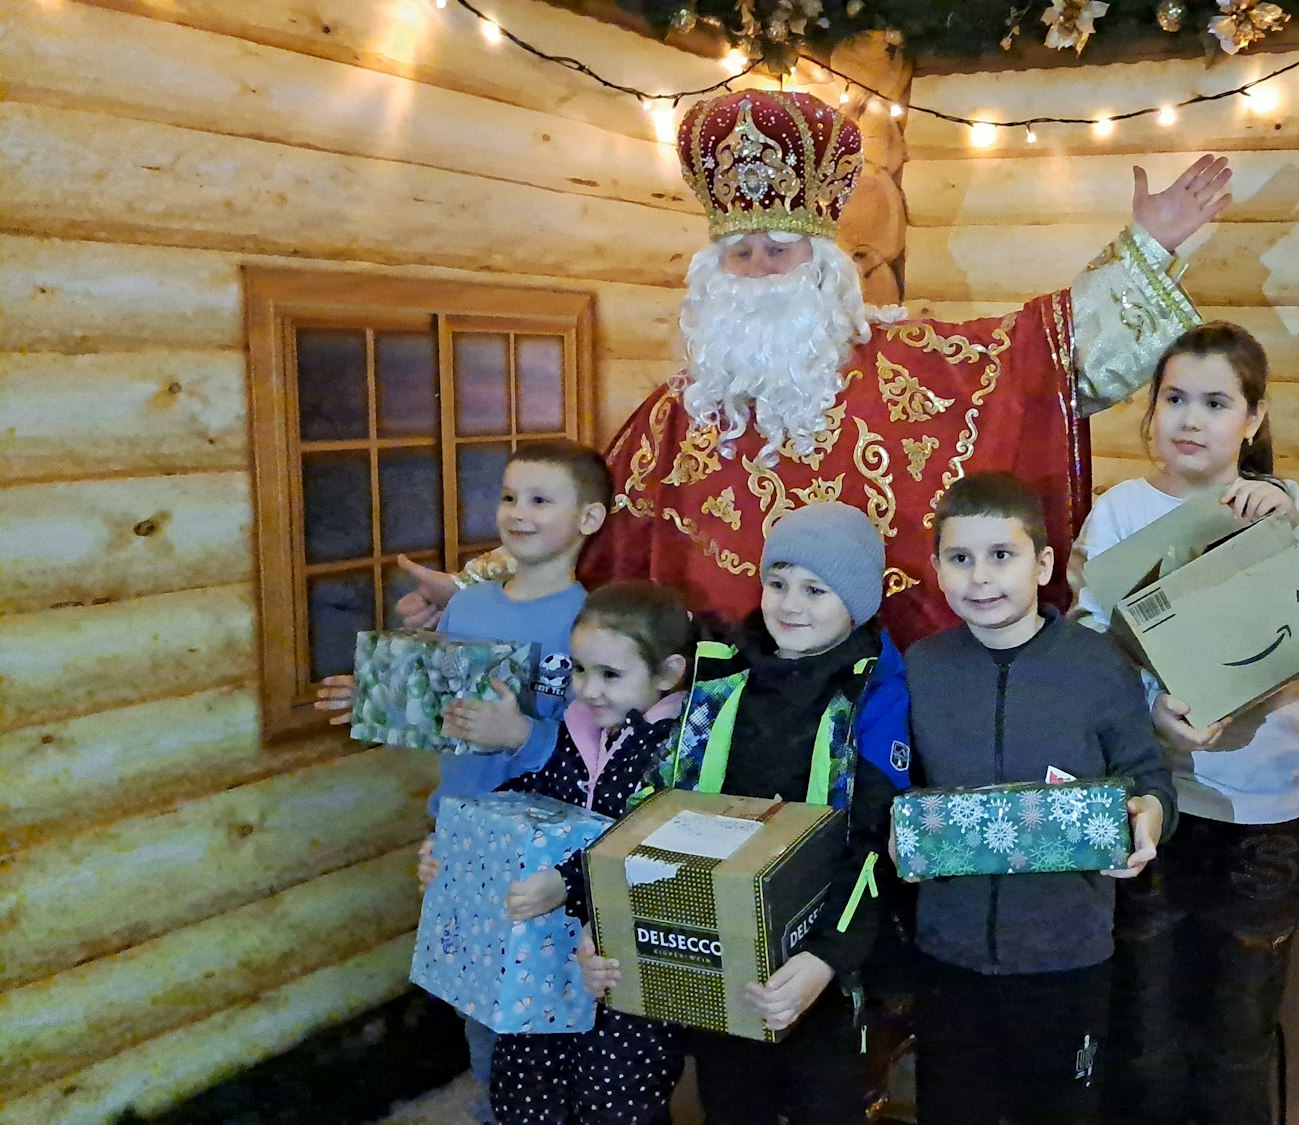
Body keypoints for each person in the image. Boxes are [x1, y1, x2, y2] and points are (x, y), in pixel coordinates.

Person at [392, 87, 1234, 647]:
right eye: (741, 252)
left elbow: (1042, 360)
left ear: (825, 264)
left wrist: (1147, 248)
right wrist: (474, 595)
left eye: (779, 250)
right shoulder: (675, 416)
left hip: (886, 711)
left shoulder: (914, 362)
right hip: (717, 724)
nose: (758, 270)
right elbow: (590, 538)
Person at [1069, 322, 1299, 1125]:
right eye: (1174, 399)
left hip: (1261, 813)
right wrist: (1148, 713)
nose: (1191, 419)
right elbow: (1089, 647)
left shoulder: (1288, 508)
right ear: (1152, 411)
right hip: (1152, 803)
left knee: (1239, 1031)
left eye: (1216, 401)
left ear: (1253, 419)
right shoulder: (1121, 511)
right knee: (1143, 1026)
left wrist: (1289, 517)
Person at [585, 502, 908, 1125]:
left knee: (826, 1102)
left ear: (859, 600)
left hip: (822, 968)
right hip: (717, 951)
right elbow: (651, 810)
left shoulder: (874, 694)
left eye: (817, 590)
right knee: (731, 1101)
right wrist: (605, 921)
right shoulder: (720, 676)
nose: (791, 604)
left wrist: (824, 959)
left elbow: (876, 839)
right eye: (778, 583)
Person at [319, 439, 612, 1125]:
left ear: (590, 518)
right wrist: (378, 690)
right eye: (510, 496)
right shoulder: (469, 609)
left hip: (549, 854)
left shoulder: (591, 623)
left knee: (553, 1020)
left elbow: (608, 744)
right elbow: (438, 706)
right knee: (480, 1017)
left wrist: (522, 735)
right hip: (458, 834)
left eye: (542, 499)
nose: (519, 512)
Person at [901, 472, 1178, 1125]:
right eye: (960, 558)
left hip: (1066, 953)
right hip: (951, 951)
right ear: (937, 567)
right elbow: (898, 786)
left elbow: (1145, 772)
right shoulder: (921, 667)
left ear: (1043, 563)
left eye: (1003, 555)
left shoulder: (1097, 665)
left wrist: (1149, 817)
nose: (981, 577)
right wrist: (897, 829)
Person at [415, 581, 695, 1125]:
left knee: (615, 1099)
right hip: (547, 957)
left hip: (625, 966)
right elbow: (535, 800)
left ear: (667, 674)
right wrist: (457, 845)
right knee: (524, 1088)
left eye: (611, 675)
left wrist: (568, 880)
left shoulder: (682, 747)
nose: (589, 690)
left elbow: (649, 848)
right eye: (580, 670)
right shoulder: (581, 726)